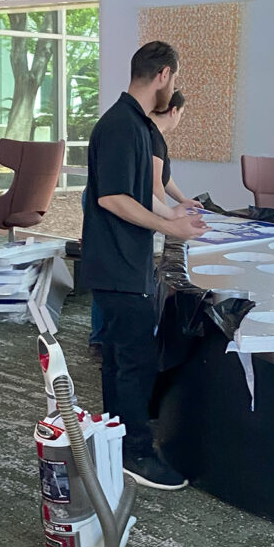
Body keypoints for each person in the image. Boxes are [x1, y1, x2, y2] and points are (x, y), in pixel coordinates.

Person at [80, 41, 207, 491]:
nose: (172, 87)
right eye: (173, 80)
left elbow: (136, 193)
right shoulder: (121, 127)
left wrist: (173, 216)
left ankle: (115, 443)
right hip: (117, 264)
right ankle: (136, 452)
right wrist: (170, 228)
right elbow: (111, 198)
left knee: (120, 362)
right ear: (164, 75)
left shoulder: (134, 124)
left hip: (124, 262)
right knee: (132, 364)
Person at [150, 90, 200, 208]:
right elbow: (155, 183)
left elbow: (164, 177)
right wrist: (167, 218)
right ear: (173, 111)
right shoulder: (153, 137)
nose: (179, 118)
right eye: (181, 113)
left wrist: (183, 200)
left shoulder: (156, 136)